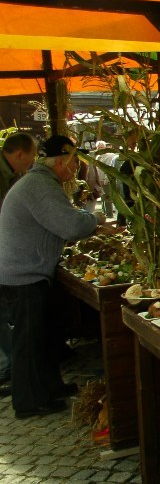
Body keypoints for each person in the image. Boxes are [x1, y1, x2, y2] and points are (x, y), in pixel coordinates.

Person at [0, 135, 111, 418]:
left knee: (44, 335)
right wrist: (96, 220)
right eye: (74, 162)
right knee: (28, 341)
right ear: (61, 162)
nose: (76, 168)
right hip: (22, 274)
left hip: (26, 270)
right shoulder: (39, 185)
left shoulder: (40, 181)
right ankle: (28, 402)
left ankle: (49, 388)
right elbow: (70, 225)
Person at [0, 132, 37, 397]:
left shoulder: (9, 174)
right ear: (20, 154)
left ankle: (8, 366)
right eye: (32, 156)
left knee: (2, 314)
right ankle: (6, 368)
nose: (33, 162)